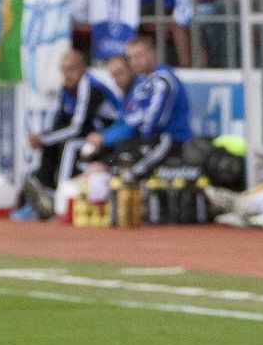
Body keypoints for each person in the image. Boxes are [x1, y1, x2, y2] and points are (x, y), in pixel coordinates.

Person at [79, 34, 192, 180]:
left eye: (139, 55)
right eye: (131, 57)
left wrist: (131, 133)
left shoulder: (162, 80)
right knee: (107, 162)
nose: (135, 61)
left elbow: (152, 120)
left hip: (170, 140)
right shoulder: (143, 82)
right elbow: (131, 118)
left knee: (126, 171)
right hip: (151, 140)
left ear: (152, 53)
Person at [23, 48, 122, 212]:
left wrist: (44, 137)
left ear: (83, 68)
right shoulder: (67, 89)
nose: (67, 74)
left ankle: (62, 198)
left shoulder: (88, 86)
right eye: (63, 70)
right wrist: (43, 139)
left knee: (70, 145)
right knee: (50, 144)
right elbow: (61, 122)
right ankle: (45, 190)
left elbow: (76, 127)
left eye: (71, 69)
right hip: (88, 137)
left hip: (107, 139)